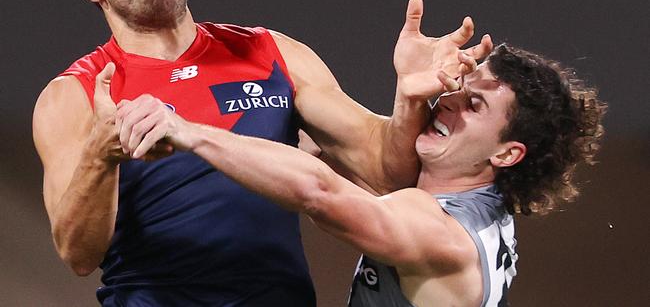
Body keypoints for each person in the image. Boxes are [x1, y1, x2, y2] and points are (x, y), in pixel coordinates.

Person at [32, 0, 492, 306]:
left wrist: (409, 97)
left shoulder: (270, 52)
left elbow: (387, 173)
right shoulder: (74, 95)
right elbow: (77, 254)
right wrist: (99, 156)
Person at [115, 43, 606, 307]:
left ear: (507, 154)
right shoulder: (474, 206)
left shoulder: (439, 232)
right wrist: (409, 96)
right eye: (461, 86)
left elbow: (319, 193)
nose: (450, 102)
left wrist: (190, 131)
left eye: (474, 105)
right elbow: (362, 175)